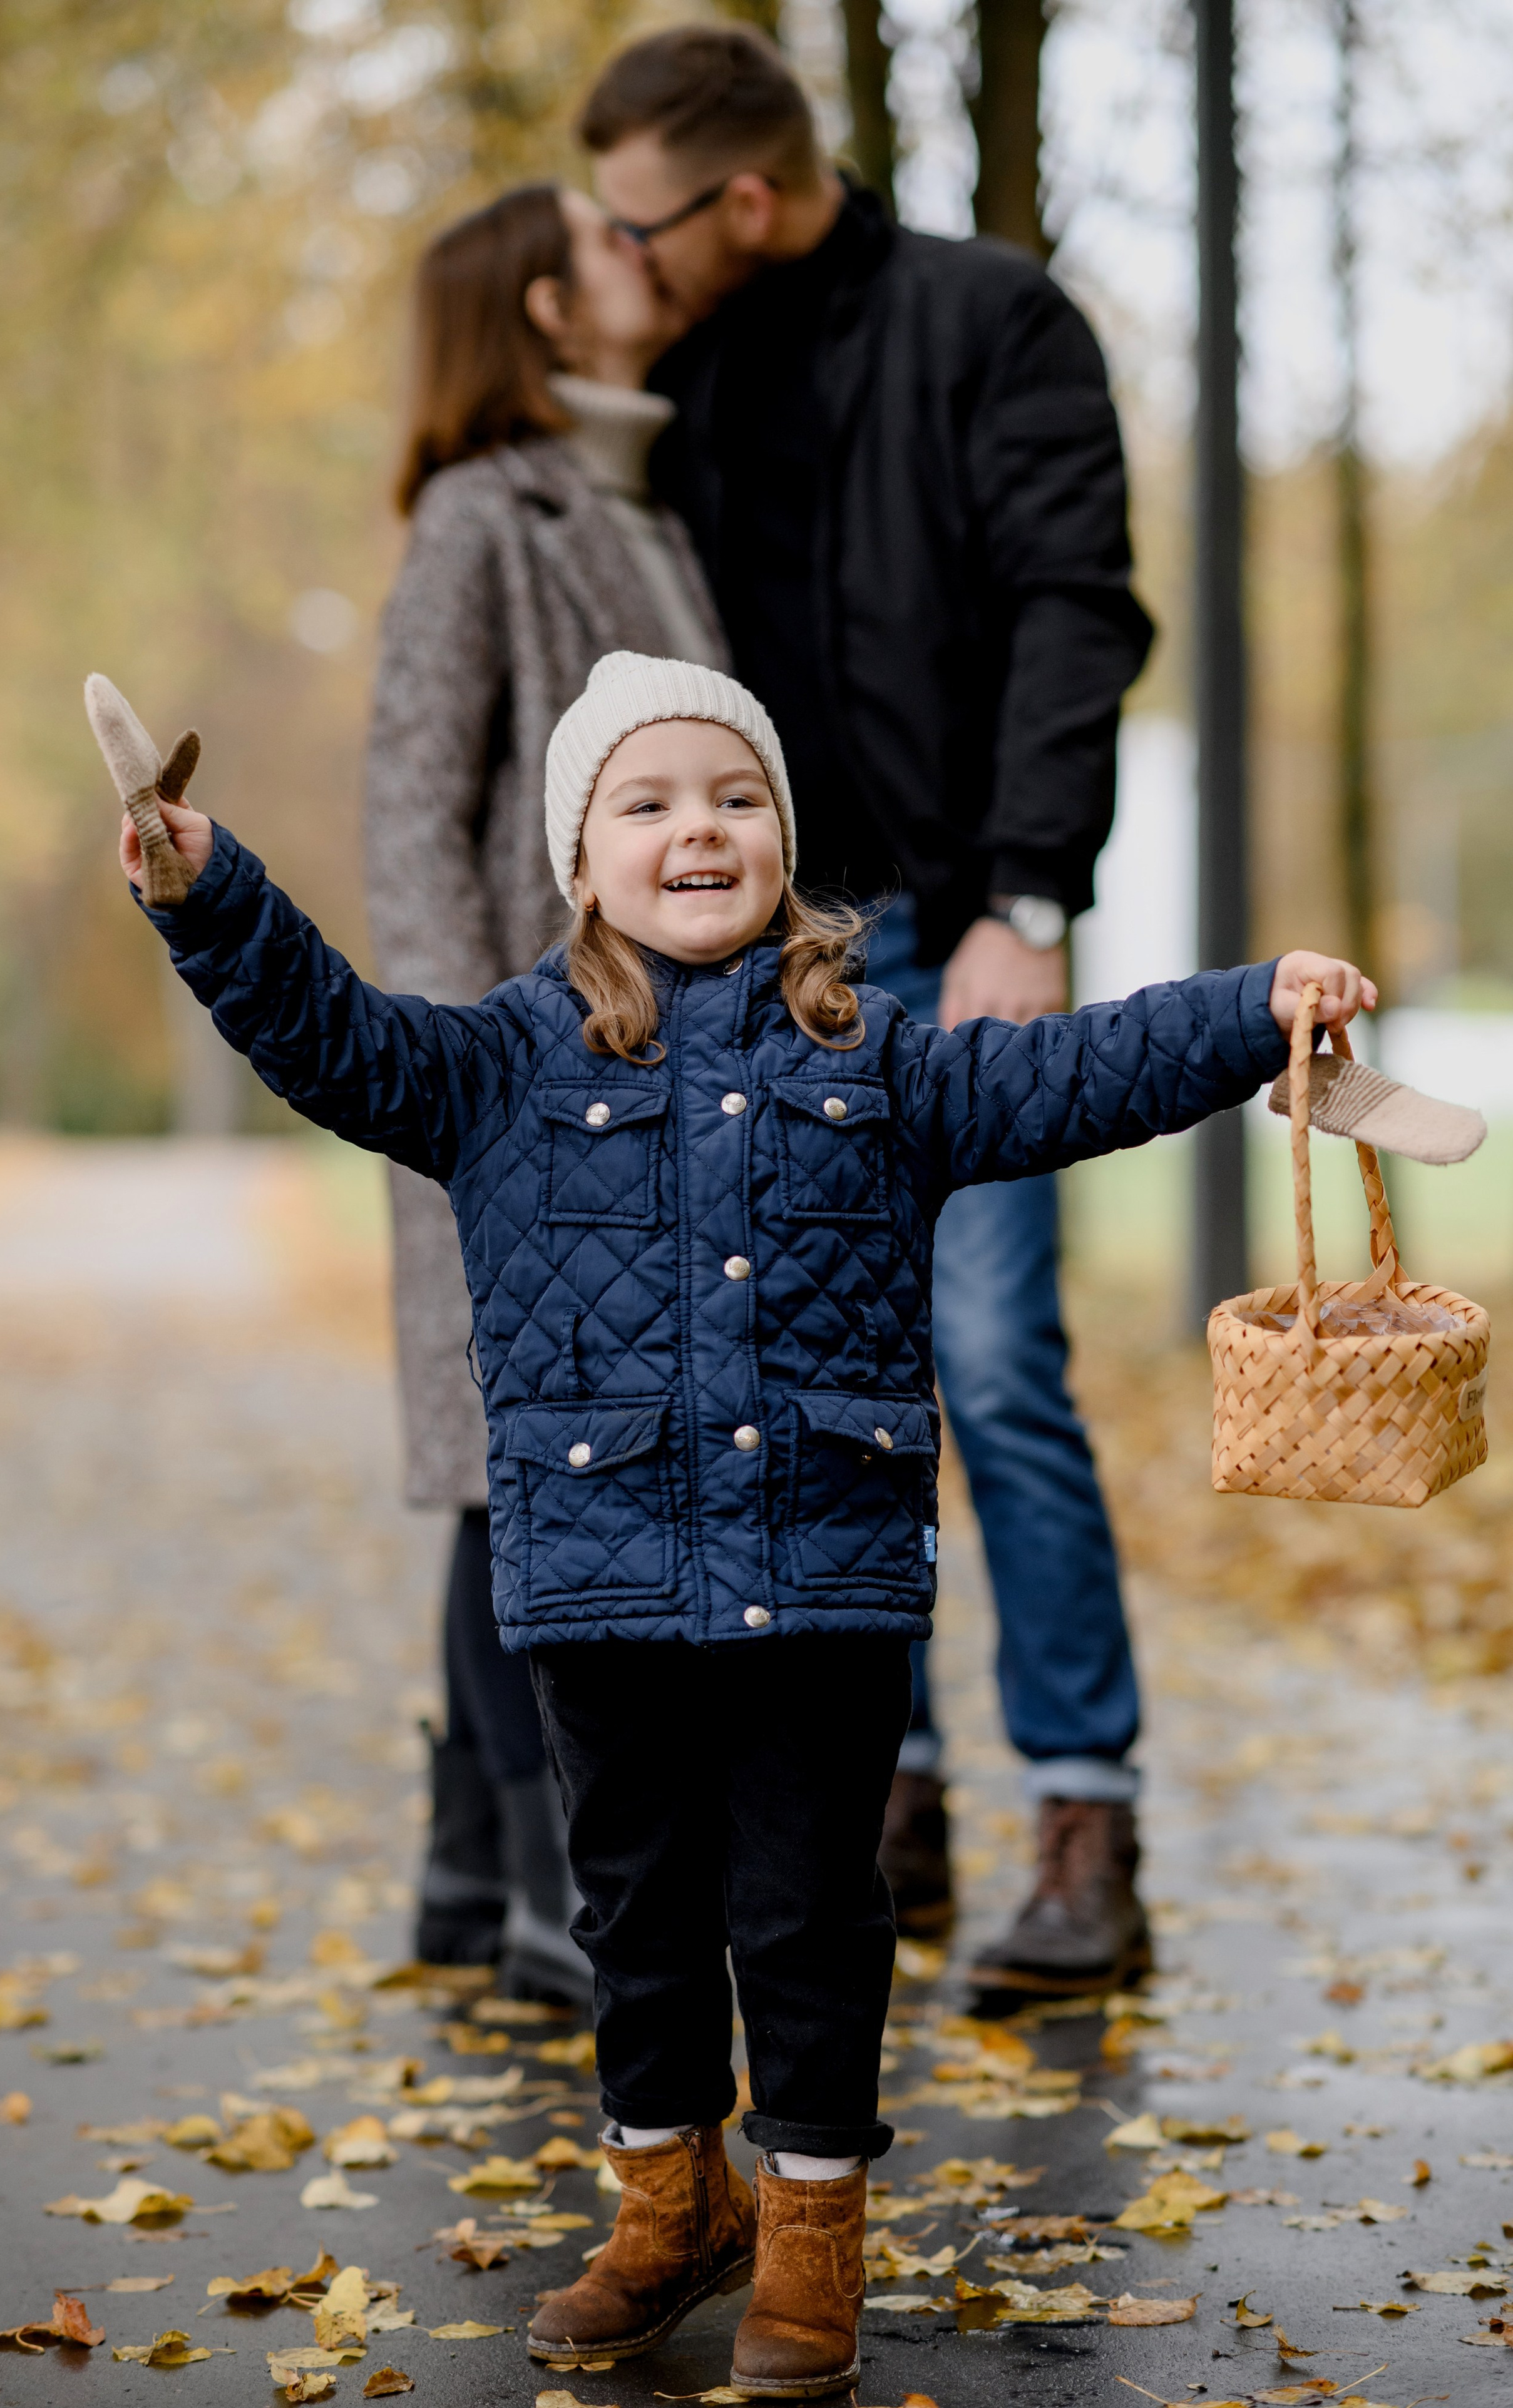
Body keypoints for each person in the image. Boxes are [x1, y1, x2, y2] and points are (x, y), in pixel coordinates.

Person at [121, 647, 1370, 2396]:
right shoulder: (494, 1067)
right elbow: (328, 1031)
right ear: (581, 860)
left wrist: (1256, 1009)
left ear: (784, 838)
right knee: (631, 1915)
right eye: (648, 802)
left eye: (736, 797)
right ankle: (667, 2206)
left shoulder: (882, 1061)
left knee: (806, 1916)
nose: (697, 826)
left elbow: (1075, 1072)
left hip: (828, 1571)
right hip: (597, 1573)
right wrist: (208, 891)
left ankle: (808, 2239)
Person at [578, 26, 1157, 2009]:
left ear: (742, 197)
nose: (627, 254)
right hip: (750, 974)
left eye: (649, 222)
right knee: (818, 1397)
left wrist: (1026, 895)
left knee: (993, 1365)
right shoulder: (686, 375)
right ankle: (884, 1797)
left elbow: (1079, 604)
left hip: (948, 936)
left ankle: (1085, 1816)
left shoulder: (995, 321)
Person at [364, 181, 725, 1999]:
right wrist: (464, 1074)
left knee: (539, 1450)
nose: (639, 255)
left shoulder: (637, 499)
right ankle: (530, 1878)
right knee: (529, 1463)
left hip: (640, 1056)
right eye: (604, 238)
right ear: (538, 303)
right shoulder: (477, 513)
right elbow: (416, 801)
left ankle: (463, 1867)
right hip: (528, 1063)